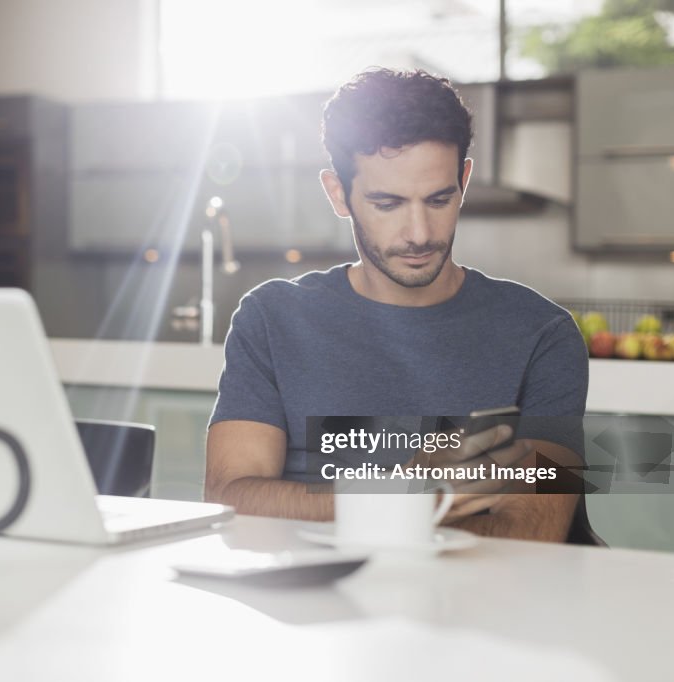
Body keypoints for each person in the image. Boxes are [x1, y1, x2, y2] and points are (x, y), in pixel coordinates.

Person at [204, 68, 588, 542]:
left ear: (464, 181)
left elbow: (536, 530)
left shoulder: (543, 334)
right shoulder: (271, 320)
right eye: (387, 203)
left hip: (474, 606)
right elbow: (230, 499)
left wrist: (337, 506)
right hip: (311, 600)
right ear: (338, 193)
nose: (420, 233)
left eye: (439, 199)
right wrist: (404, 494)